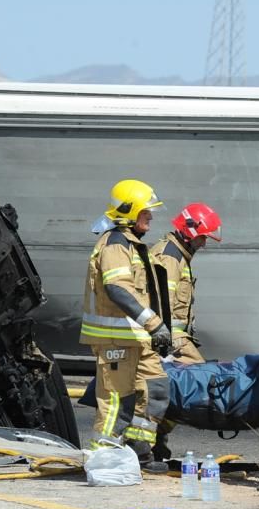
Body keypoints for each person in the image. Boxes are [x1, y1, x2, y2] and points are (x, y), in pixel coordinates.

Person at [79, 179, 173, 473]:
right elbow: (118, 288)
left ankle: (138, 452)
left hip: (135, 338)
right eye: (146, 211)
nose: (152, 217)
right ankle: (104, 460)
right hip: (115, 340)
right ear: (129, 211)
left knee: (154, 388)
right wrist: (155, 324)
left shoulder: (131, 244)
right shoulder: (115, 244)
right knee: (116, 401)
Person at [148, 202, 224, 460]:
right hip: (171, 339)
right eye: (203, 237)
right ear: (190, 231)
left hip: (175, 337)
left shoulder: (178, 254)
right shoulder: (171, 256)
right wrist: (162, 344)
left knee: (176, 389)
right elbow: (161, 302)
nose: (204, 243)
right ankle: (151, 439)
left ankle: (155, 438)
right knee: (199, 383)